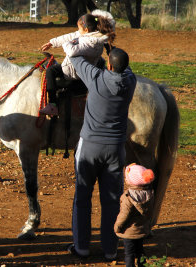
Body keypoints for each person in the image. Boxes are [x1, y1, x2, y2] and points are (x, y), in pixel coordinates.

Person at [67, 48, 137, 260]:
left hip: (89, 147)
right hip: (115, 149)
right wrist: (111, 52)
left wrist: (89, 42)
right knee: (112, 200)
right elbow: (127, 69)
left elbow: (74, 56)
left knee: (82, 197)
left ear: (108, 65)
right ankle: (110, 249)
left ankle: (81, 247)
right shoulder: (130, 82)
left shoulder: (96, 78)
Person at [39, 10, 116, 116]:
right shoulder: (93, 35)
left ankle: (53, 105)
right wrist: (52, 42)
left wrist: (67, 44)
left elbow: (71, 51)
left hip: (74, 72)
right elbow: (73, 35)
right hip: (82, 68)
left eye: (79, 29)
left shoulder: (91, 42)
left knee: (50, 71)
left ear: (86, 29)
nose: (78, 31)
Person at [114, 163, 155, 267]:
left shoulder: (128, 197)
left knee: (129, 254)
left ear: (131, 181)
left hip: (129, 231)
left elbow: (124, 215)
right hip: (142, 229)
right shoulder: (150, 194)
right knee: (140, 251)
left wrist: (117, 227)